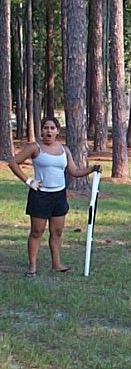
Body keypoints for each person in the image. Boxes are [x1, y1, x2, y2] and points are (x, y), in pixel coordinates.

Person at [8, 116, 101, 278]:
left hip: (59, 196)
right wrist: (29, 181)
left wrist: (92, 169)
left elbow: (74, 171)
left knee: (57, 232)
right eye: (46, 128)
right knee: (37, 232)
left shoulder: (64, 150)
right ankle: (32, 266)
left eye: (52, 128)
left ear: (57, 131)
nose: (49, 131)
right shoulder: (35, 147)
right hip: (40, 195)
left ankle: (56, 264)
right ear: (41, 131)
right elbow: (13, 163)